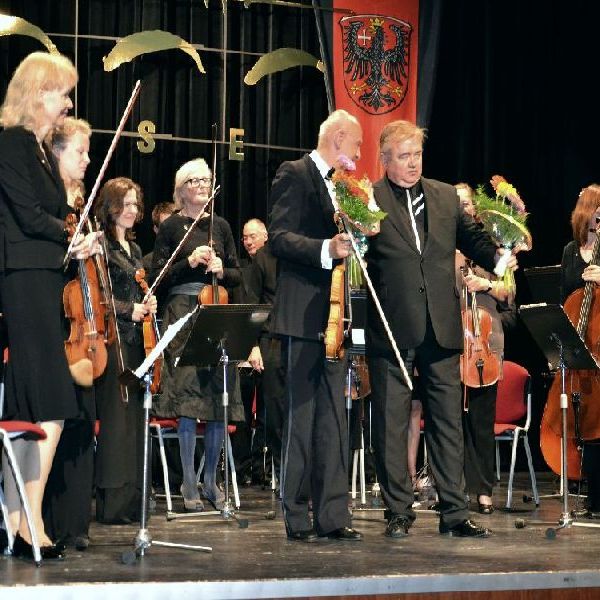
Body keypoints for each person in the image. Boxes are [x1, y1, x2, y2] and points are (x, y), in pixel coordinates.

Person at [365, 120, 517, 539]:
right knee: (392, 424)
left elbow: (473, 239)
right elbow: (357, 253)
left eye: (417, 154)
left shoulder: (445, 195)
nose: (413, 163)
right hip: (393, 326)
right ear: (385, 159)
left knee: (448, 422)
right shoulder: (369, 199)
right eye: (404, 156)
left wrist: (501, 257)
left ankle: (454, 512)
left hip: (443, 325)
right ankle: (398, 510)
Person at [0, 52, 100, 561]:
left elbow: (50, 213)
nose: (67, 103)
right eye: (62, 93)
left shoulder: (38, 149)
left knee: (33, 409)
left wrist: (73, 240)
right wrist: (69, 236)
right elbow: (26, 213)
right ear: (40, 93)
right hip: (23, 280)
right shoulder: (13, 143)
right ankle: (29, 520)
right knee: (54, 404)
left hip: (40, 277)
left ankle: (19, 521)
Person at [269, 109, 363, 542]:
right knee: (301, 417)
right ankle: (295, 513)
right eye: (357, 145)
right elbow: (279, 237)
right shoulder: (295, 173)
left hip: (336, 316)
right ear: (339, 137)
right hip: (303, 315)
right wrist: (327, 247)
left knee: (333, 419)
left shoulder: (346, 187)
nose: (358, 154)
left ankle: (333, 516)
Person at [151, 158, 243, 511]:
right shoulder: (171, 227)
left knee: (218, 396)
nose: (203, 185)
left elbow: (237, 274)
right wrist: (187, 262)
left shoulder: (220, 225)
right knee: (188, 398)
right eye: (195, 180)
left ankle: (211, 480)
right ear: (181, 189)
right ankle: (188, 480)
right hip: (182, 311)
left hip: (216, 308)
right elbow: (157, 277)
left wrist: (222, 269)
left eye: (206, 180)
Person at [42, 117, 96, 549]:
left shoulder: (79, 211)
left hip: (81, 330)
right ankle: (46, 521)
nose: (88, 159)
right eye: (80, 151)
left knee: (78, 425)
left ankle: (74, 524)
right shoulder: (46, 206)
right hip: (55, 326)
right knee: (53, 424)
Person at [93, 177, 158, 524]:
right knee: (117, 423)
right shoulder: (101, 245)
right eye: (126, 204)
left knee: (135, 421)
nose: (132, 210)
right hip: (113, 342)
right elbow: (98, 296)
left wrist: (147, 301)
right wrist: (128, 309)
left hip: (137, 344)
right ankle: (113, 505)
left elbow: (135, 292)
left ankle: (134, 500)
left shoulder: (133, 249)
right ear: (111, 207)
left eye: (135, 204)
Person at [455, 182, 511, 515]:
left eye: (466, 203)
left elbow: (509, 293)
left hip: (485, 343)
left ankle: (483, 491)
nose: (462, 208)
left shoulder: (490, 246)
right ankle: (455, 488)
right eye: (457, 204)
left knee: (481, 419)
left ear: (475, 209)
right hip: (453, 341)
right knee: (453, 420)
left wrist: (485, 283)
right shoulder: (445, 247)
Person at [560, 183, 600, 517]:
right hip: (578, 341)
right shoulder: (570, 251)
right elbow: (565, 298)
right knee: (583, 418)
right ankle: (589, 489)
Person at [245, 229, 285, 489]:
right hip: (271, 340)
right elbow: (253, 303)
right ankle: (283, 474)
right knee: (275, 413)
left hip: (302, 340)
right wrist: (252, 345)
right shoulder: (263, 257)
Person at [142, 201, 176, 273]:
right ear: (156, 230)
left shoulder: (192, 254)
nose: (172, 231)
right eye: (166, 227)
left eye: (175, 224)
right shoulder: (147, 263)